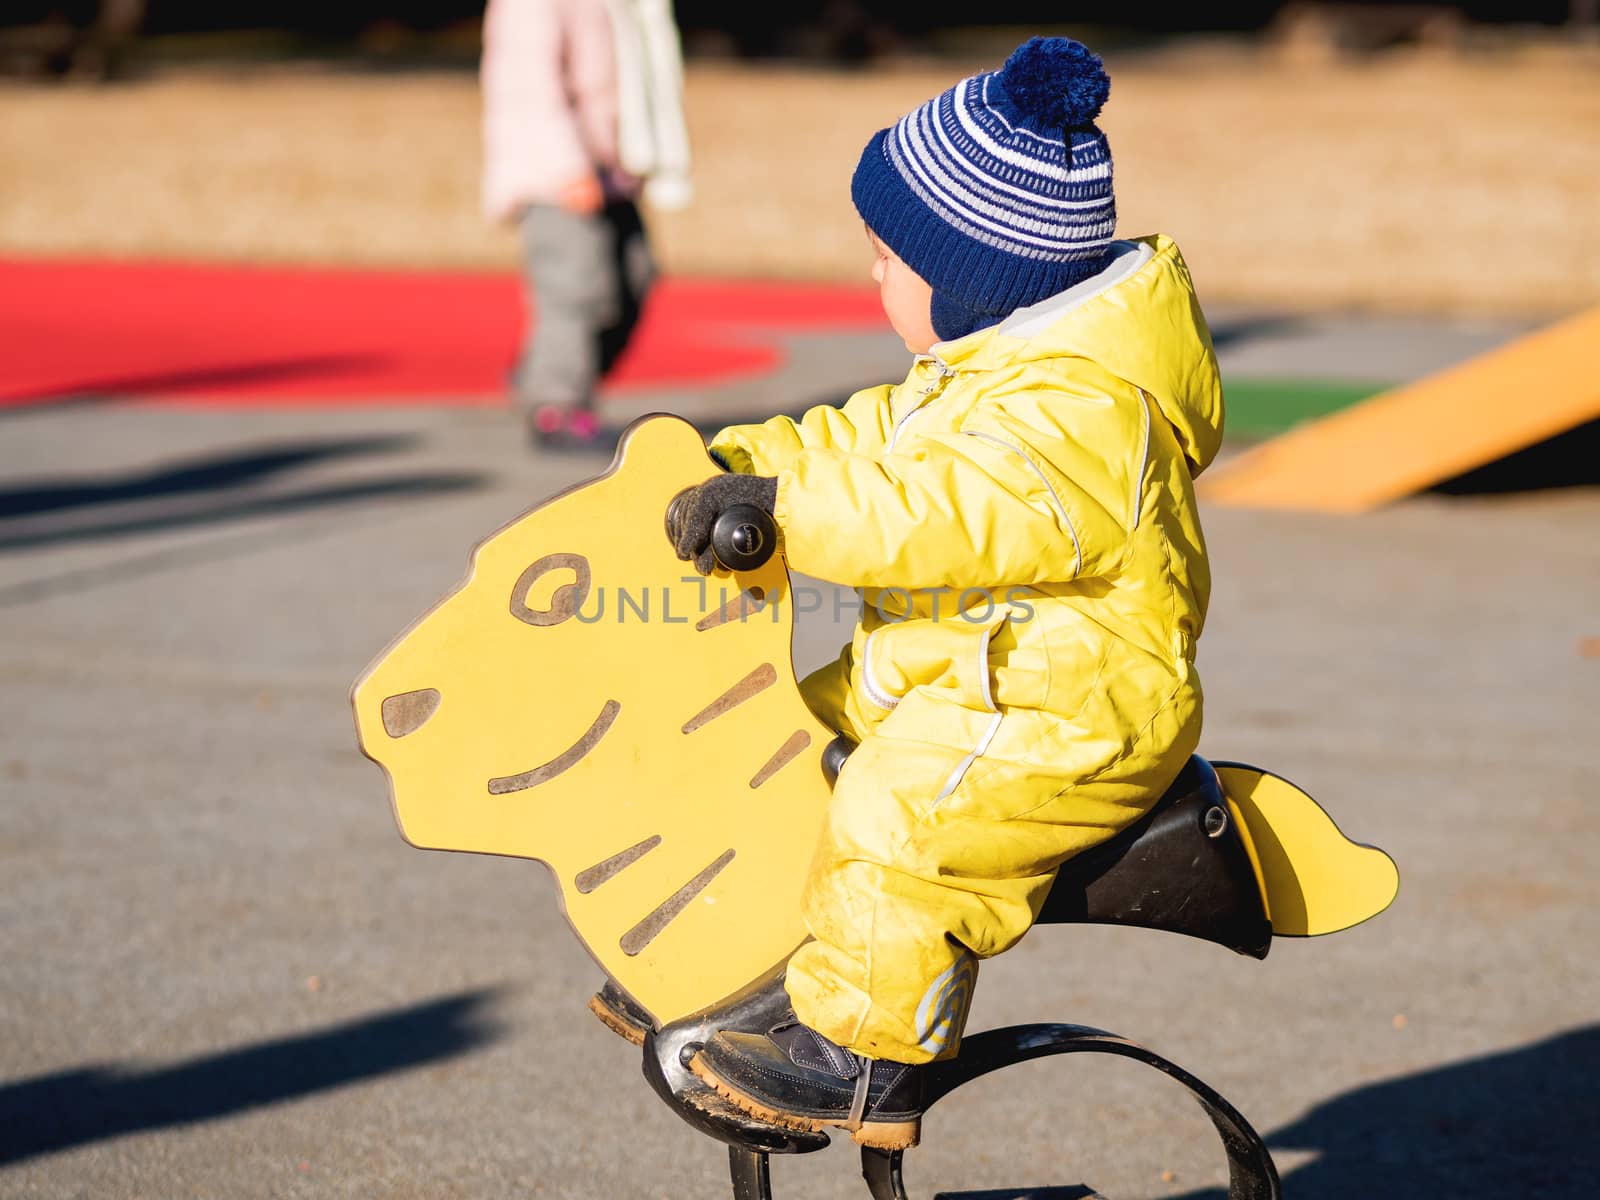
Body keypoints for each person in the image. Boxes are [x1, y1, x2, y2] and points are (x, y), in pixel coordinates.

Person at [664, 37, 1224, 1149]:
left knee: (898, 819)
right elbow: (860, 439)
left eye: (886, 258)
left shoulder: (1082, 416)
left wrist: (789, 520)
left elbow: (935, 511)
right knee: (778, 742)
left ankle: (869, 1057)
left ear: (970, 279)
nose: (872, 277)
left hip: (1072, 707)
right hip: (972, 677)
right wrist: (743, 465)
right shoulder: (985, 371)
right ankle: (789, 975)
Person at [480, 0, 691, 448]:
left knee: (634, 277)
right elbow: (527, 88)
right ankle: (556, 406)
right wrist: (565, 169)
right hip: (554, 175)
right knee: (575, 289)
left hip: (610, 171)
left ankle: (542, 374)